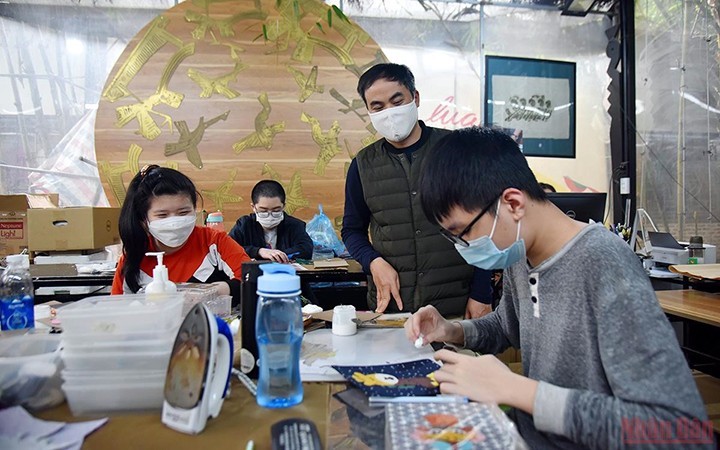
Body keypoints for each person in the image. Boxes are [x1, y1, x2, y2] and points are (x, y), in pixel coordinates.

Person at [405, 127, 710, 448]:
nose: (463, 246)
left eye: (463, 232)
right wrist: (452, 330)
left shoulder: (604, 263)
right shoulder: (519, 255)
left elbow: (677, 431)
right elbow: (507, 325)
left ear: (513, 203)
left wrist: (516, 390)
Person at [341, 63, 493, 318]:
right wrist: (373, 262)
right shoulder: (362, 165)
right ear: (369, 111)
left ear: (415, 98)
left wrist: (482, 292)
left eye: (396, 101)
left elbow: (485, 225)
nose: (389, 112)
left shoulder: (455, 151)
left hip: (456, 305)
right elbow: (351, 229)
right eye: (377, 107)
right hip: (394, 309)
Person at [112, 165, 250, 304]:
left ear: (194, 209)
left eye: (183, 213)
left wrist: (216, 290)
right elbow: (116, 306)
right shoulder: (134, 257)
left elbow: (252, 278)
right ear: (143, 219)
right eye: (162, 215)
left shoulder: (214, 241)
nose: (174, 222)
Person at [228, 180, 313, 263]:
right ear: (253, 207)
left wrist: (278, 255)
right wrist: (259, 251)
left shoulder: (294, 225)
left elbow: (306, 249)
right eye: (263, 211)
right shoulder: (244, 225)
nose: (270, 216)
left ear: (283, 206)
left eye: (276, 210)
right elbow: (228, 248)